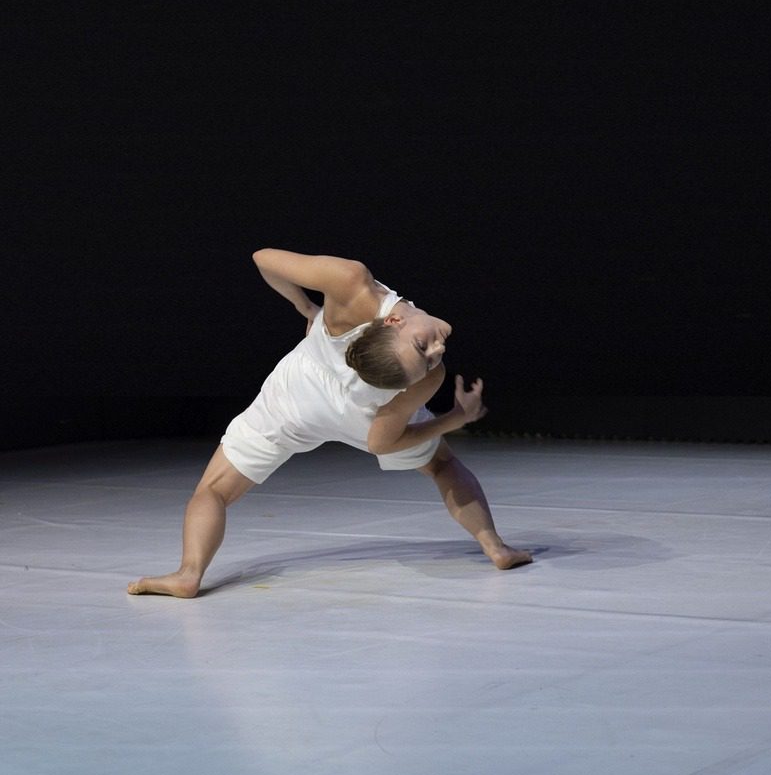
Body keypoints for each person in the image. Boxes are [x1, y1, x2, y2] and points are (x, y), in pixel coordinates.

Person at [127, 249, 531, 598]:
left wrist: (306, 307)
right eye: (423, 347)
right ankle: (495, 547)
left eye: (429, 359)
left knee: (213, 490)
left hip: (295, 397)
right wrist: (455, 418)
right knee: (443, 466)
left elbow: (263, 259)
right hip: (356, 411)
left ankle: (189, 574)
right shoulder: (423, 368)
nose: (438, 348)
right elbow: (381, 441)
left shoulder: (349, 283)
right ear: (391, 322)